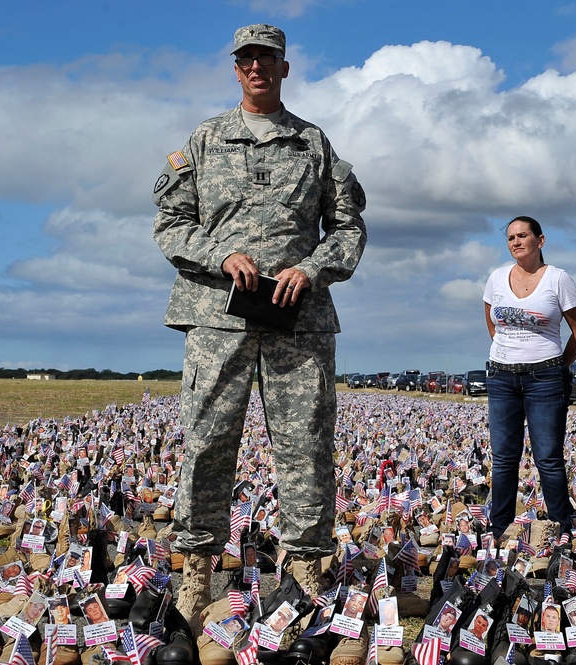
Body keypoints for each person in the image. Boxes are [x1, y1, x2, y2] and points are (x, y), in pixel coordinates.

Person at [152, 22, 367, 626]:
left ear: (284, 67)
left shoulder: (313, 143)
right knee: (207, 441)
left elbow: (348, 228)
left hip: (297, 319)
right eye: (246, 59)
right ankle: (197, 567)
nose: (256, 68)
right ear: (235, 68)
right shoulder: (204, 139)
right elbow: (170, 224)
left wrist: (315, 266)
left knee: (305, 446)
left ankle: (305, 568)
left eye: (267, 59)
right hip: (217, 315)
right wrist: (220, 254)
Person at [483, 216, 576, 540]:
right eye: (511, 237)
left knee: (548, 457)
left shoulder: (558, 279)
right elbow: (492, 321)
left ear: (539, 241)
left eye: (523, 236)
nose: (516, 242)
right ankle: (499, 528)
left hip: (545, 378)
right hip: (501, 376)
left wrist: (558, 366)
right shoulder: (496, 278)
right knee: (503, 458)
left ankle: (561, 528)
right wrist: (507, 351)